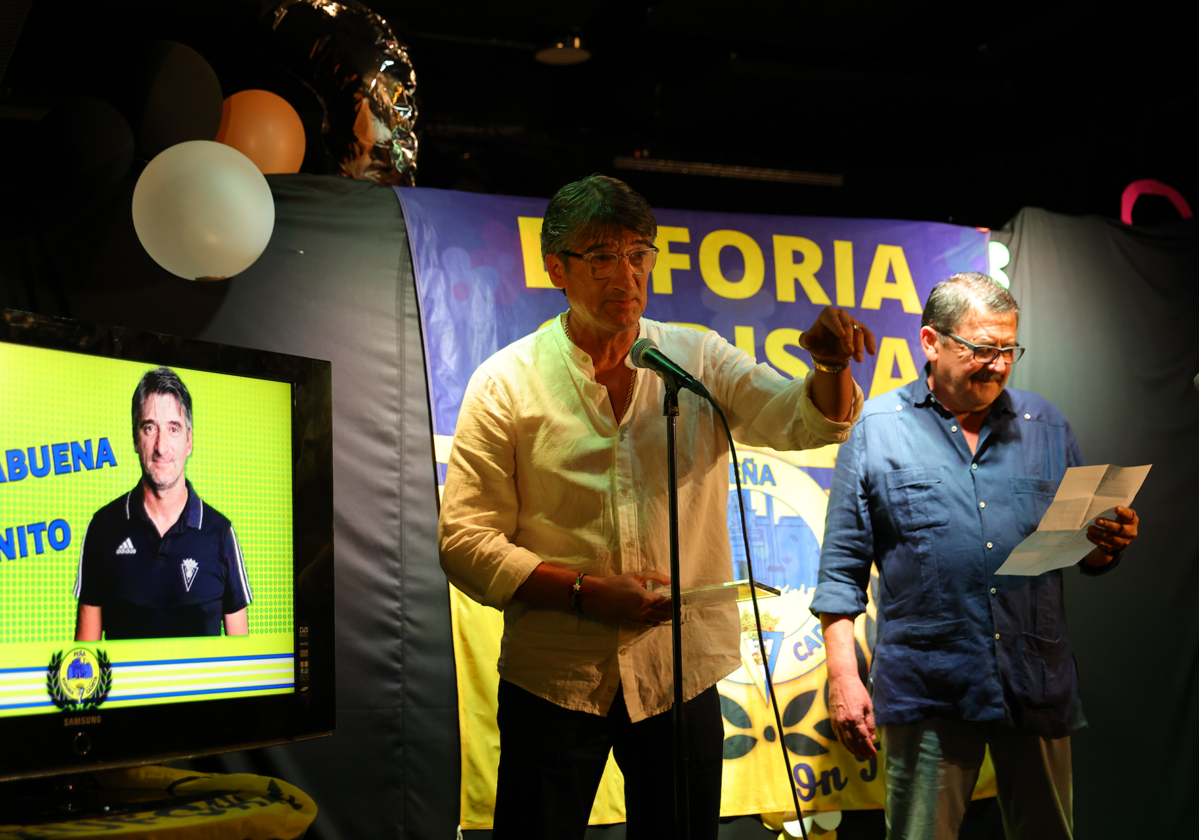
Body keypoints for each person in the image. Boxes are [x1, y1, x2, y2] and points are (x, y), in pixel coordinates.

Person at [438, 174, 877, 840]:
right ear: (555, 267)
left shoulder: (694, 357)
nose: (627, 273)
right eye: (602, 255)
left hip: (679, 673)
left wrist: (829, 369)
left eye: (640, 253)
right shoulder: (507, 381)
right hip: (554, 675)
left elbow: (803, 423)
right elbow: (466, 541)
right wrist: (584, 591)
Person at [812, 272, 1140, 839]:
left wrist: (1105, 543)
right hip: (928, 685)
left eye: (1008, 349)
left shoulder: (1047, 424)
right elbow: (841, 572)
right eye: (982, 349)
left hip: (1035, 681)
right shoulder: (875, 429)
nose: (998, 364)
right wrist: (845, 676)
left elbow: (1083, 551)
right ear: (931, 342)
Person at [73, 366, 252, 641]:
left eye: (173, 429)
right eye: (149, 428)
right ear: (135, 438)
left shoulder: (221, 534)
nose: (161, 446)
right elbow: (84, 661)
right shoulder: (102, 529)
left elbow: (243, 663)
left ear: (189, 441)